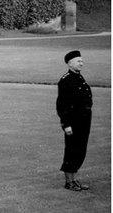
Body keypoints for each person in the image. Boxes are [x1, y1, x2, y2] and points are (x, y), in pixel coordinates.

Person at [56, 50, 92, 191]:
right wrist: (66, 124)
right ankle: (68, 182)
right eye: (78, 61)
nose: (81, 63)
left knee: (80, 150)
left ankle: (74, 179)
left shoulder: (79, 77)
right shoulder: (65, 80)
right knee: (72, 150)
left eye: (82, 61)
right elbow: (61, 105)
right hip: (73, 121)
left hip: (84, 120)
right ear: (70, 63)